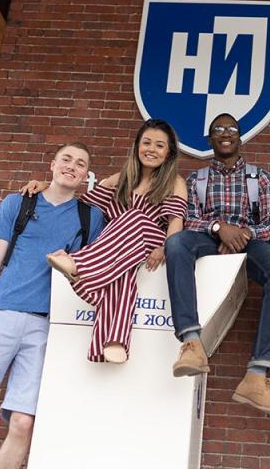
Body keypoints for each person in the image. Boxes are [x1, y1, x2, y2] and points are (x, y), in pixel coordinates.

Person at [0, 143, 104, 469]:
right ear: (52, 164)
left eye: (80, 164)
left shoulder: (91, 218)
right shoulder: (17, 203)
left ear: (86, 176)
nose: (71, 166)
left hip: (46, 326)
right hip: (0, 314)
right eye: (66, 159)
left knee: (23, 422)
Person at [164, 113, 270, 418]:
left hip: (251, 244)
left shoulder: (259, 178)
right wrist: (219, 229)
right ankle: (192, 344)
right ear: (210, 139)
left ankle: (257, 376)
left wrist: (243, 234)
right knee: (176, 243)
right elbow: (189, 220)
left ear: (240, 137)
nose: (225, 133)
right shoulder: (196, 179)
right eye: (218, 130)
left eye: (231, 129)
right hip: (209, 239)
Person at [33, 119, 187, 364]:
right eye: (146, 142)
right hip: (118, 246)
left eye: (159, 145)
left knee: (133, 216)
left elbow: (176, 223)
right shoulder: (121, 178)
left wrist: (164, 247)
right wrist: (48, 187)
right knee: (122, 272)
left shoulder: (174, 182)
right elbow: (82, 206)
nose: (151, 149)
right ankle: (115, 341)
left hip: (152, 238)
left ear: (168, 153)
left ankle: (80, 268)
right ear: (137, 145)